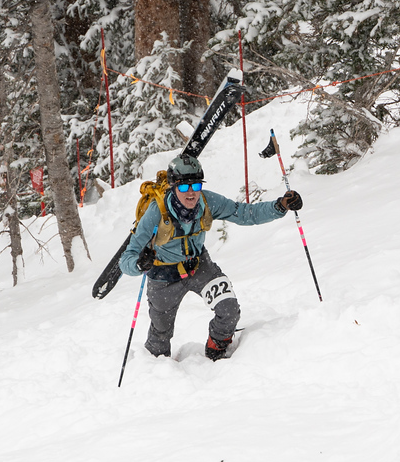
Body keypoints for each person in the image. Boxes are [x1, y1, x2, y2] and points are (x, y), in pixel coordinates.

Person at [118, 153, 303, 360]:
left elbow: (243, 213)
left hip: (198, 266)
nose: (191, 193)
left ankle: (216, 352)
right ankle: (154, 371)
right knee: (160, 335)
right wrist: (139, 264)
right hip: (163, 277)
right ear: (173, 187)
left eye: (196, 186)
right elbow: (126, 259)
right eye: (184, 187)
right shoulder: (155, 213)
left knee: (229, 310)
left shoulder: (207, 201)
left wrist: (280, 206)